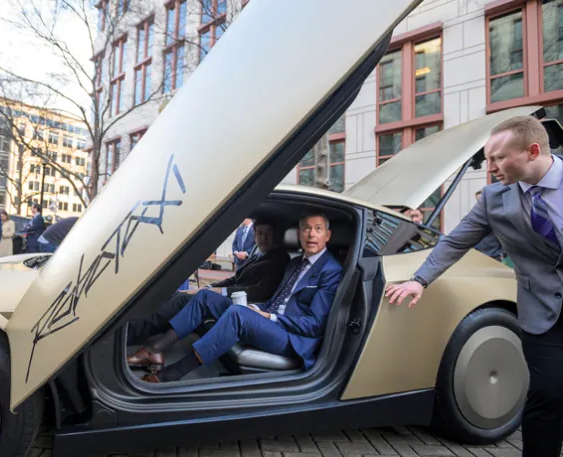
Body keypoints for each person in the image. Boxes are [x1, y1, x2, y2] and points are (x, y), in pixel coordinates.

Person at [385, 115, 563, 457]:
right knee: (548, 395)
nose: (490, 167)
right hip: (542, 311)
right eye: (488, 158)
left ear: (532, 151)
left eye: (498, 158)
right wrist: (419, 280)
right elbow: (454, 242)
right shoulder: (494, 200)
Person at [132, 213, 344, 383]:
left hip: (293, 339)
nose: (311, 234)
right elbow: (273, 302)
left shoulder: (331, 270)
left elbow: (315, 325)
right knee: (205, 296)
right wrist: (257, 308)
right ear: (299, 233)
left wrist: (267, 317)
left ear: (328, 235)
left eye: (318, 229)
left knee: (237, 314)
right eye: (306, 228)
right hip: (272, 322)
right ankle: (154, 350)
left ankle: (173, 373)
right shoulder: (294, 265)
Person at [126, 218, 291, 347]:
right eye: (260, 233)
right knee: (178, 295)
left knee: (184, 300)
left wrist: (216, 292)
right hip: (229, 298)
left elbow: (258, 291)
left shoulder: (279, 258)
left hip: (243, 306)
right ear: (254, 235)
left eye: (268, 233)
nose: (263, 238)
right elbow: (234, 279)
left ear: (276, 236)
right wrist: (209, 287)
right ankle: (138, 328)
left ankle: (131, 333)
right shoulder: (257, 256)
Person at [472, 190, 505, 261]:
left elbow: (506, 237)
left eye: (482, 199)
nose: (480, 202)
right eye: (478, 200)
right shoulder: (473, 217)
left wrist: (501, 253)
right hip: (477, 256)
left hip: (493, 256)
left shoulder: (497, 216)